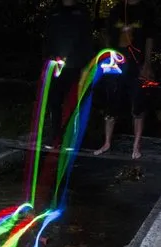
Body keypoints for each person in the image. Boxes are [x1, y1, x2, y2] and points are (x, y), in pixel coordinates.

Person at [94, 0, 155, 159]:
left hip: (137, 65)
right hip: (116, 65)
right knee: (111, 103)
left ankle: (136, 145)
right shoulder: (116, 10)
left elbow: (149, 38)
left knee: (138, 104)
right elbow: (107, 36)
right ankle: (107, 143)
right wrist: (107, 58)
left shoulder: (146, 11)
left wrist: (147, 63)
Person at [43, 0, 94, 144]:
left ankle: (74, 136)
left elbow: (87, 39)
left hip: (77, 65)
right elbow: (48, 37)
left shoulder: (82, 12)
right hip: (57, 65)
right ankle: (55, 135)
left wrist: (87, 65)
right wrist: (49, 57)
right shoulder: (54, 12)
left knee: (76, 102)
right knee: (54, 101)